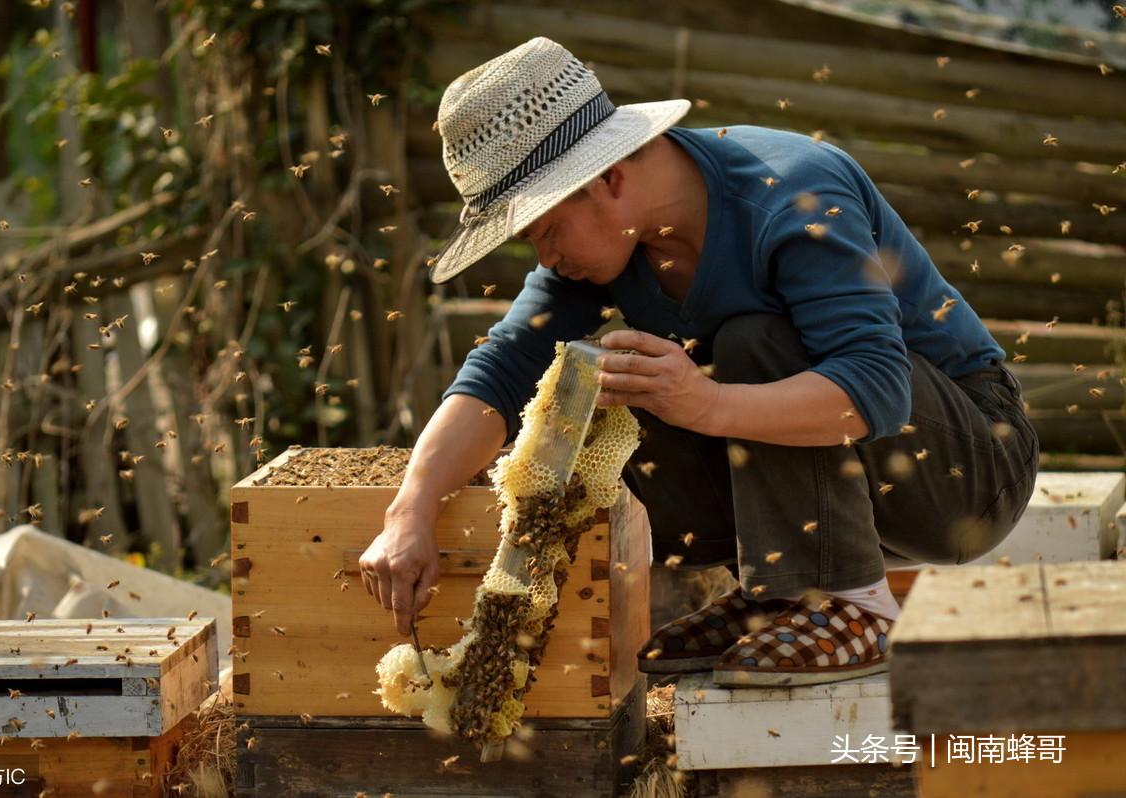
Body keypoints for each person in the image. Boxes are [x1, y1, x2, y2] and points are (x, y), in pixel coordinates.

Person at [359, 37, 1039, 687]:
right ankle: (776, 591)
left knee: (749, 339)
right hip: (858, 484)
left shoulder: (792, 193)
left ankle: (853, 604)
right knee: (610, 379)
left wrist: (704, 403)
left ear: (609, 178)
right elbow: (501, 374)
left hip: (967, 475)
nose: (543, 256)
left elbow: (878, 389)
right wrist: (411, 512)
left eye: (542, 228)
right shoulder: (597, 254)